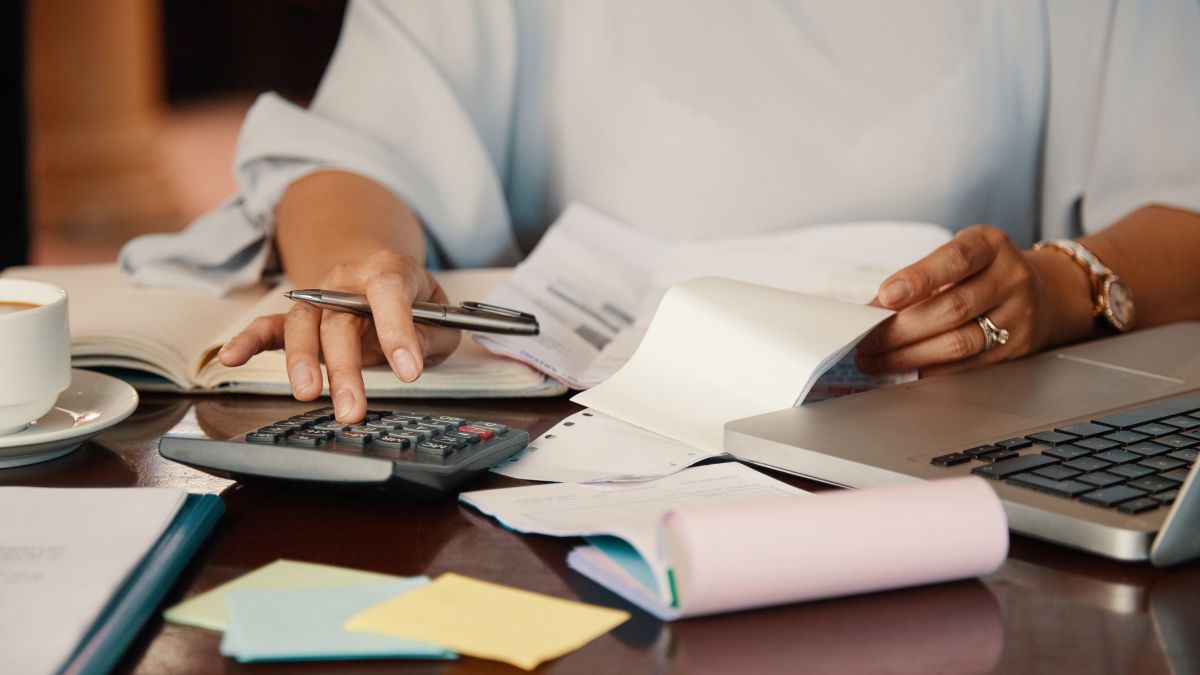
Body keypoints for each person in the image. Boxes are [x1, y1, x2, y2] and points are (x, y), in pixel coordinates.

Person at [121, 1, 1200, 424]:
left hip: (947, 440)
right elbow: (352, 154)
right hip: (586, 443)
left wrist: (1060, 287)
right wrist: (362, 263)